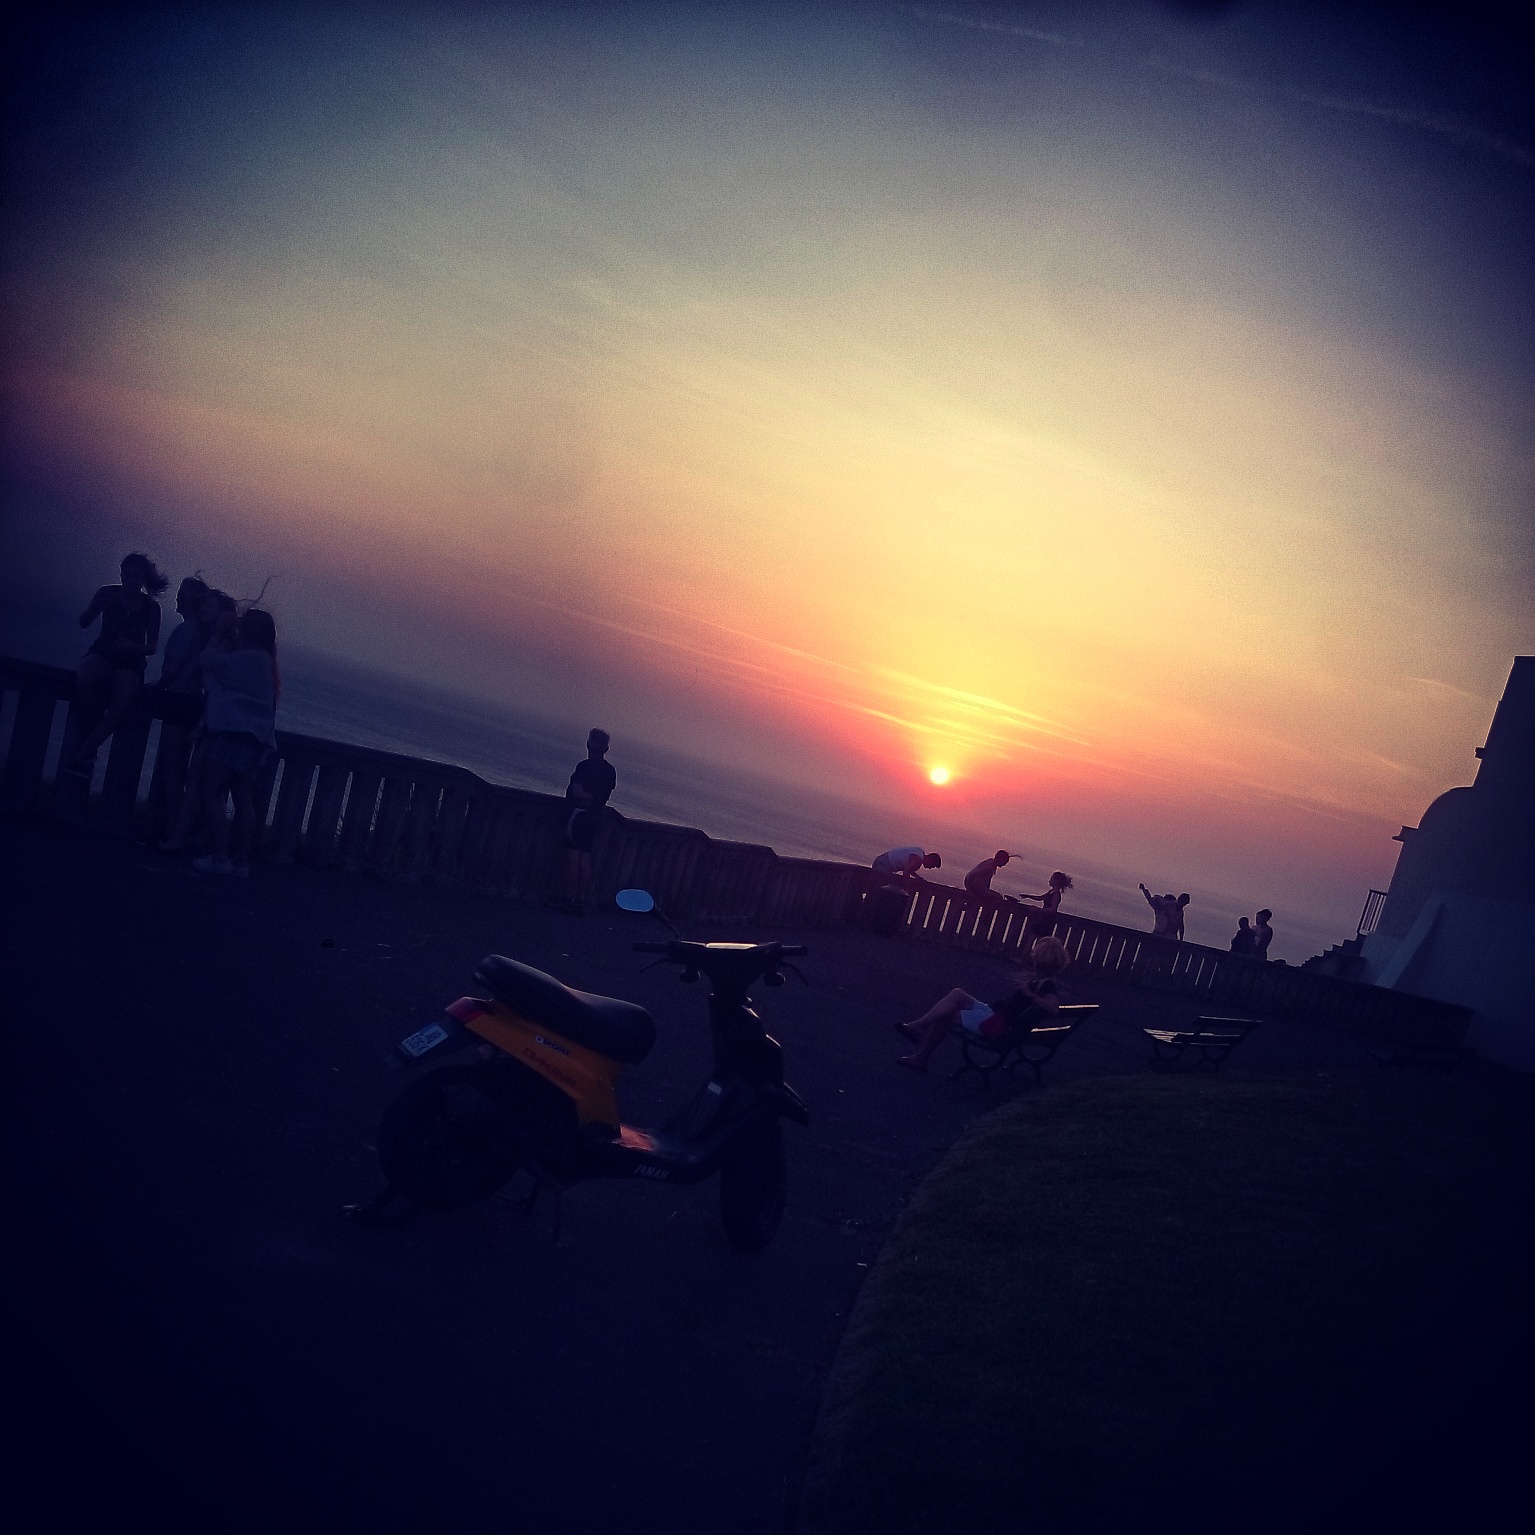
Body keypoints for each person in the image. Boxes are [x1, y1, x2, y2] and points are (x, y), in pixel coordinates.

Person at [190, 608, 280, 876]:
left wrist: (217, 634)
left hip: (235, 735)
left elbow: (208, 661)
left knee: (211, 791)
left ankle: (221, 857)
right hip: (255, 741)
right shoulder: (265, 661)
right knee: (243, 799)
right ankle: (241, 861)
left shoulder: (250, 658)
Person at [61, 553, 169, 775]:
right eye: (126, 575)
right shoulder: (107, 593)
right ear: (121, 573)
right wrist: (94, 608)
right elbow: (84, 622)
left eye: (135, 577)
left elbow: (152, 647)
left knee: (121, 702)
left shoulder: (151, 607)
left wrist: (133, 647)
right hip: (103, 651)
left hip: (131, 660)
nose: (129, 580)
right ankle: (90, 747)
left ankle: (84, 753)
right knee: (84, 678)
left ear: (143, 579)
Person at [895, 936, 1070, 1071]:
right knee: (957, 994)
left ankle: (920, 1057)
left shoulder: (1046, 985)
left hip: (996, 1026)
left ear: (1038, 959)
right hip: (994, 1014)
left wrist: (1028, 994)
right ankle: (917, 1026)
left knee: (945, 1014)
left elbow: (1053, 1009)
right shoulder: (1041, 981)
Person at [146, 576, 210, 834]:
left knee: (172, 772)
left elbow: (173, 670)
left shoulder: (186, 631)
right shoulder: (202, 634)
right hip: (194, 703)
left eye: (181, 594)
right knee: (181, 771)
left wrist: (156, 686)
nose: (177, 597)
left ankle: (171, 831)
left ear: (188, 601)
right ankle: (177, 830)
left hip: (178, 701)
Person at [550, 729, 616, 915]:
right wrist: (595, 800)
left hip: (579, 815)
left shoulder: (584, 767)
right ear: (606, 749)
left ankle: (568, 897)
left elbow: (576, 792)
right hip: (595, 818)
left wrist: (587, 797)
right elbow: (605, 795)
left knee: (573, 857)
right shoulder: (610, 771)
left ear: (589, 744)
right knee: (585, 858)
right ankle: (581, 900)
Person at [1021, 871, 1073, 935]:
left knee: (1037, 936)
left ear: (1056, 881)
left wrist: (1037, 909)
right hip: (1043, 918)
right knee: (1033, 935)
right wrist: (1028, 896)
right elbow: (1040, 897)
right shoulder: (1051, 891)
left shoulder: (1056, 895)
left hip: (1048, 920)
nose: (1049, 880)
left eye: (1051, 879)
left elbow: (1053, 910)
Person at [872, 847, 942, 882]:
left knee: (876, 886)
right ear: (931, 860)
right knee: (878, 887)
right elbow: (906, 871)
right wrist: (906, 888)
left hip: (882, 860)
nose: (930, 868)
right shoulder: (918, 860)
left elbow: (908, 868)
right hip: (884, 864)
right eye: (932, 866)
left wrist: (917, 877)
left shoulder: (919, 852)